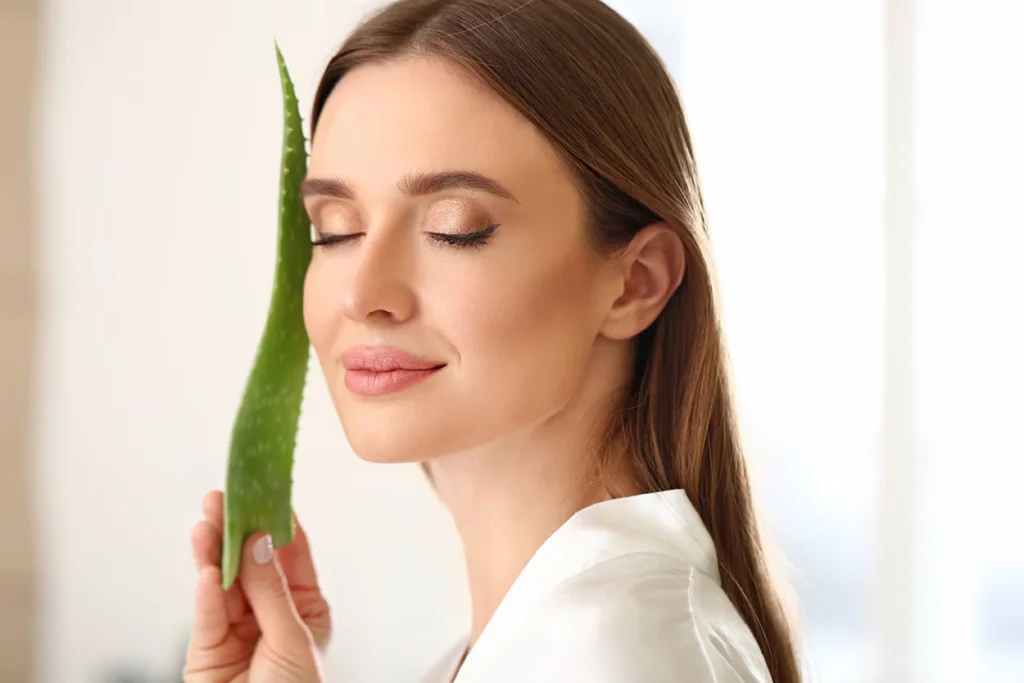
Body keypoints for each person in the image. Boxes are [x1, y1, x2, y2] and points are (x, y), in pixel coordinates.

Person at [184, 0, 803, 681]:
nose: (363, 293)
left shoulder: (613, 651)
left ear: (636, 283)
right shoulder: (533, 640)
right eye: (335, 230)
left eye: (455, 226)